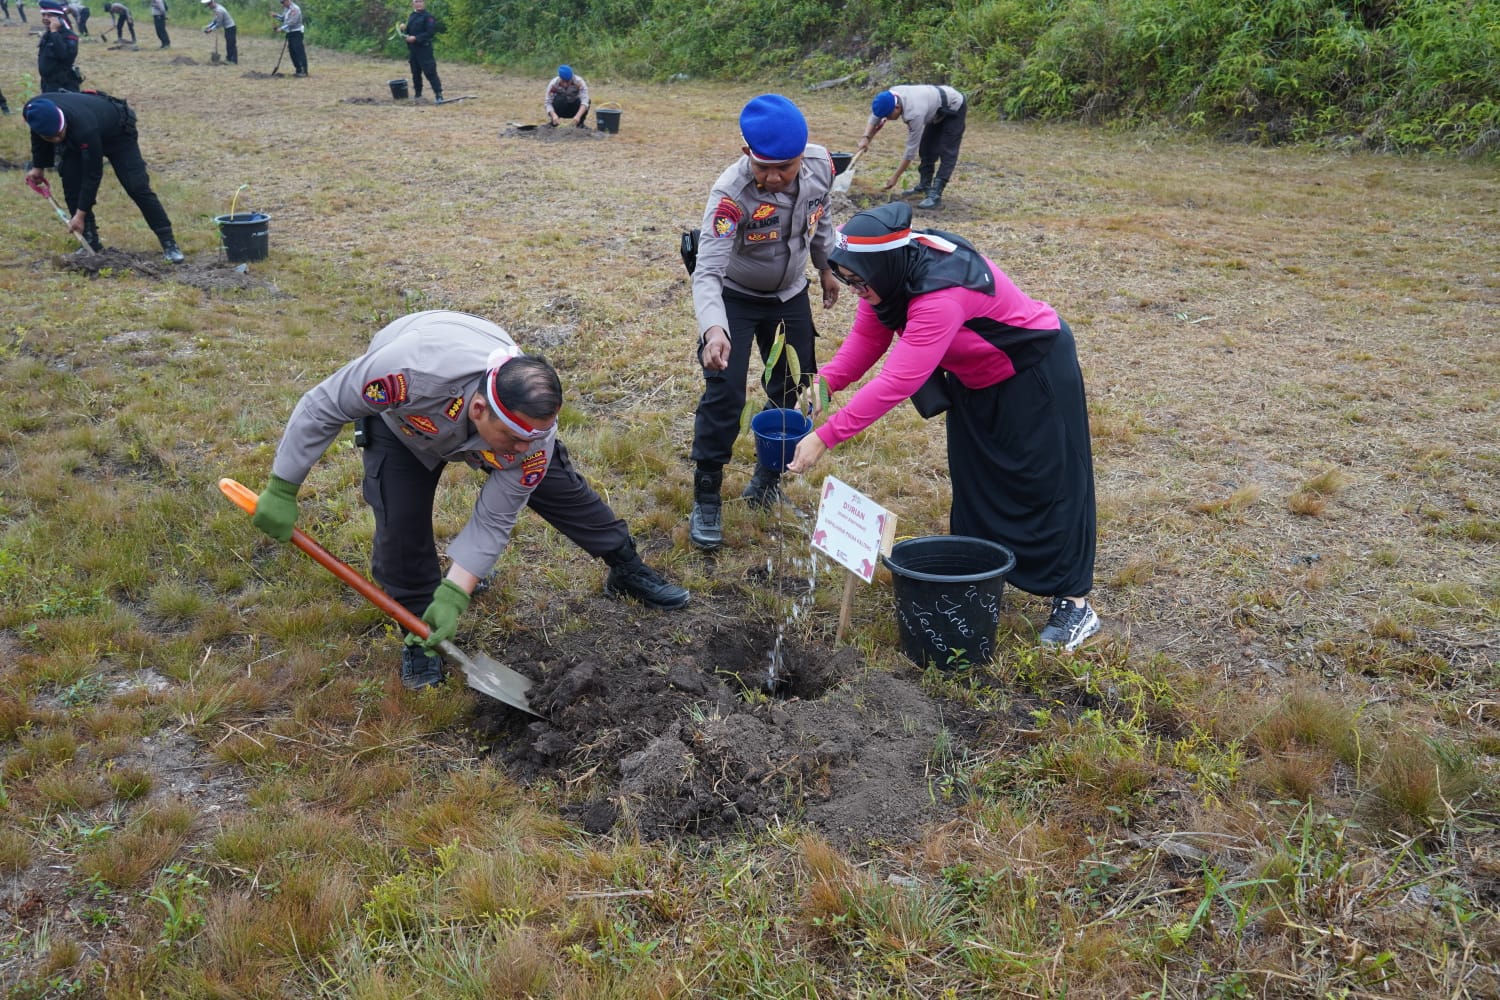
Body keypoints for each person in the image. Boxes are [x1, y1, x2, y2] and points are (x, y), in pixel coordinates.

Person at [249, 311, 690, 690]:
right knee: (400, 523)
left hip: (478, 400)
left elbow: (494, 519)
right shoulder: (404, 375)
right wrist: (283, 486)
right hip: (406, 426)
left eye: (531, 439)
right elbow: (321, 406)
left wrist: (456, 592)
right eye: (514, 439)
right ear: (479, 410)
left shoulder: (529, 437)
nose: (520, 450)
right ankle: (420, 631)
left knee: (558, 485)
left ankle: (625, 565)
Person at [786, 202, 1100, 651]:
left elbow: (899, 380)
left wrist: (825, 436)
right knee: (978, 482)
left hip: (1034, 373)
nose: (854, 288)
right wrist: (826, 384)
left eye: (859, 280)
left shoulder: (940, 292)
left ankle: (1074, 603)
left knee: (1050, 484)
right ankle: (988, 572)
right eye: (847, 277)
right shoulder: (890, 278)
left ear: (886, 265)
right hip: (976, 381)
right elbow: (866, 340)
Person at [685, 93, 839, 551]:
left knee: (791, 387)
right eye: (763, 166)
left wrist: (826, 268)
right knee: (725, 391)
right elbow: (708, 272)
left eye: (785, 167)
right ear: (745, 151)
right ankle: (707, 493)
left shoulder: (820, 167)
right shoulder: (730, 195)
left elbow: (821, 217)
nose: (774, 177)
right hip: (736, 297)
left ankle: (768, 477)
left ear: (801, 156)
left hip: (790, 293)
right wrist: (715, 330)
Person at [23, 93, 185, 262]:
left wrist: (80, 215)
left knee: (137, 186)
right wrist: (38, 166)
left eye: (58, 134)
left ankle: (168, 242)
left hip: (117, 133)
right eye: (50, 138)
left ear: (63, 122)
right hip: (79, 134)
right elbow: (36, 134)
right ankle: (90, 241)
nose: (56, 140)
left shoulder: (84, 128)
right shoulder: (33, 110)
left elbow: (92, 174)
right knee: (71, 183)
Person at [855, 85, 967, 210]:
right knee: (926, 148)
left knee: (947, 150)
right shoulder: (890, 96)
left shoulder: (914, 113)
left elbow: (910, 151)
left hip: (954, 106)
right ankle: (924, 185)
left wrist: (895, 177)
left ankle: (935, 194)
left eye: (888, 116)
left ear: (897, 108)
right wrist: (865, 137)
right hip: (935, 106)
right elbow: (876, 117)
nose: (887, 119)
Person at [401, 0, 442, 104]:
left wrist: (416, 38)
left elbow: (430, 33)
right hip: (413, 50)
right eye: (416, 1)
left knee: (430, 72)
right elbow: (409, 32)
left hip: (424, 49)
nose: (418, 3)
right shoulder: (412, 16)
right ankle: (418, 95)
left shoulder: (428, 17)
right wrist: (403, 32)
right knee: (415, 73)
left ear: (424, 3)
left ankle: (439, 95)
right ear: (412, 3)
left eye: (420, 1)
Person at [36, 1, 80, 94]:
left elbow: (65, 56)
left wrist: (54, 32)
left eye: (49, 16)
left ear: (59, 18)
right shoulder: (47, 35)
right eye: (43, 15)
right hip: (47, 83)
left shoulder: (69, 36)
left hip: (62, 85)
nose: (45, 18)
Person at [274, 0, 306, 77]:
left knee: (298, 51)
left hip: (296, 32)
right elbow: (283, 19)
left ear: (288, 1)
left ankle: (304, 71)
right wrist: (276, 16)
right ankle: (298, 70)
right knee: (292, 52)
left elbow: (292, 22)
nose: (282, 4)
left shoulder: (295, 9)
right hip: (290, 33)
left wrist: (281, 29)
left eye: (283, 2)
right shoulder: (287, 9)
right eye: (281, 3)